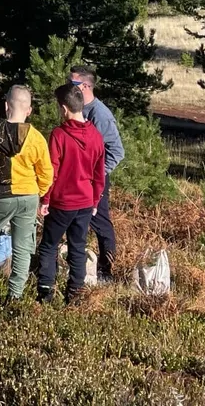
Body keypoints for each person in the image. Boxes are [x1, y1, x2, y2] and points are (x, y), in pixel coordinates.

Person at [0, 85, 53, 304]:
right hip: (27, 196)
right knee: (22, 247)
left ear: (6, 106)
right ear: (29, 110)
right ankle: (14, 296)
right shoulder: (36, 138)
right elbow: (46, 173)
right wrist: (38, 193)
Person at [36, 83, 106, 304]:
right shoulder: (96, 135)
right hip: (85, 202)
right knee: (78, 248)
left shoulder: (59, 135)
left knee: (49, 245)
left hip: (62, 202)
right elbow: (99, 173)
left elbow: (52, 171)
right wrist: (95, 200)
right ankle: (74, 294)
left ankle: (45, 292)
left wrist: (45, 199)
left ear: (64, 108)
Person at [70, 66, 124, 282]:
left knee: (100, 222)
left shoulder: (100, 114)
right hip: (76, 177)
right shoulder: (75, 107)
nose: (68, 87)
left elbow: (117, 151)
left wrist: (97, 175)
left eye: (72, 84)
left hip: (94, 179)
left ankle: (106, 271)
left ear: (84, 86)